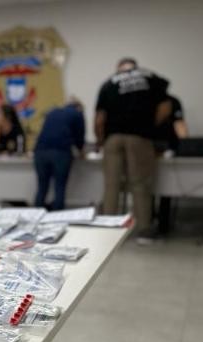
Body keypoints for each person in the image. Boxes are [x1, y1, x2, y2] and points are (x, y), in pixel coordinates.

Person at [95, 57, 171, 243]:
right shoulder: (150, 77)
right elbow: (166, 107)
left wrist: (101, 141)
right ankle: (143, 231)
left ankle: (107, 229)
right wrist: (150, 126)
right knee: (140, 184)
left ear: (118, 69)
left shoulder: (108, 83)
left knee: (111, 185)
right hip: (139, 137)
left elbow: (99, 119)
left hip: (113, 138)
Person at [33, 98, 86, 211]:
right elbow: (80, 137)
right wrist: (81, 152)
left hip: (40, 152)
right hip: (61, 152)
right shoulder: (77, 114)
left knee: (42, 187)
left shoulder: (53, 112)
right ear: (79, 107)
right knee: (59, 186)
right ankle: (57, 216)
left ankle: (36, 215)